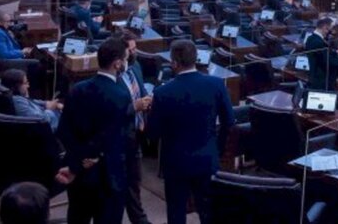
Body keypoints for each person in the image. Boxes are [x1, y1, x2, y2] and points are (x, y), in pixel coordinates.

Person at [148, 39, 235, 224]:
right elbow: (229, 122)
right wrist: (217, 148)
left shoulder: (162, 93)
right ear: (196, 59)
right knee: (208, 212)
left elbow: (153, 132)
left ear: (174, 62)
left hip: (175, 162)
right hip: (207, 158)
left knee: (176, 213)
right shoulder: (217, 84)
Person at [56, 37, 134, 224]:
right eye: (125, 59)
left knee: (78, 217)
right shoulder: (121, 96)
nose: (126, 63)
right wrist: (94, 157)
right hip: (108, 176)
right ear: (117, 64)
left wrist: (77, 162)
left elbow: (63, 131)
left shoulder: (77, 89)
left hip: (77, 173)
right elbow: (114, 138)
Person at [115, 32, 153, 224]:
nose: (135, 52)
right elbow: (111, 110)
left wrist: (148, 101)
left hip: (137, 132)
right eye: (131, 50)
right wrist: (134, 107)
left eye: (135, 48)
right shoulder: (113, 75)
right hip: (120, 137)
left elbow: (143, 92)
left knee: (134, 181)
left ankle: (138, 218)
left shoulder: (136, 66)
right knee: (125, 183)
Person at [304, 17, 338, 90]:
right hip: (322, 82)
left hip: (314, 77)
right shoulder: (319, 43)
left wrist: (336, 53)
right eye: (329, 30)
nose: (330, 33)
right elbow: (331, 63)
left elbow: (322, 57)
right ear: (325, 28)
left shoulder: (310, 38)